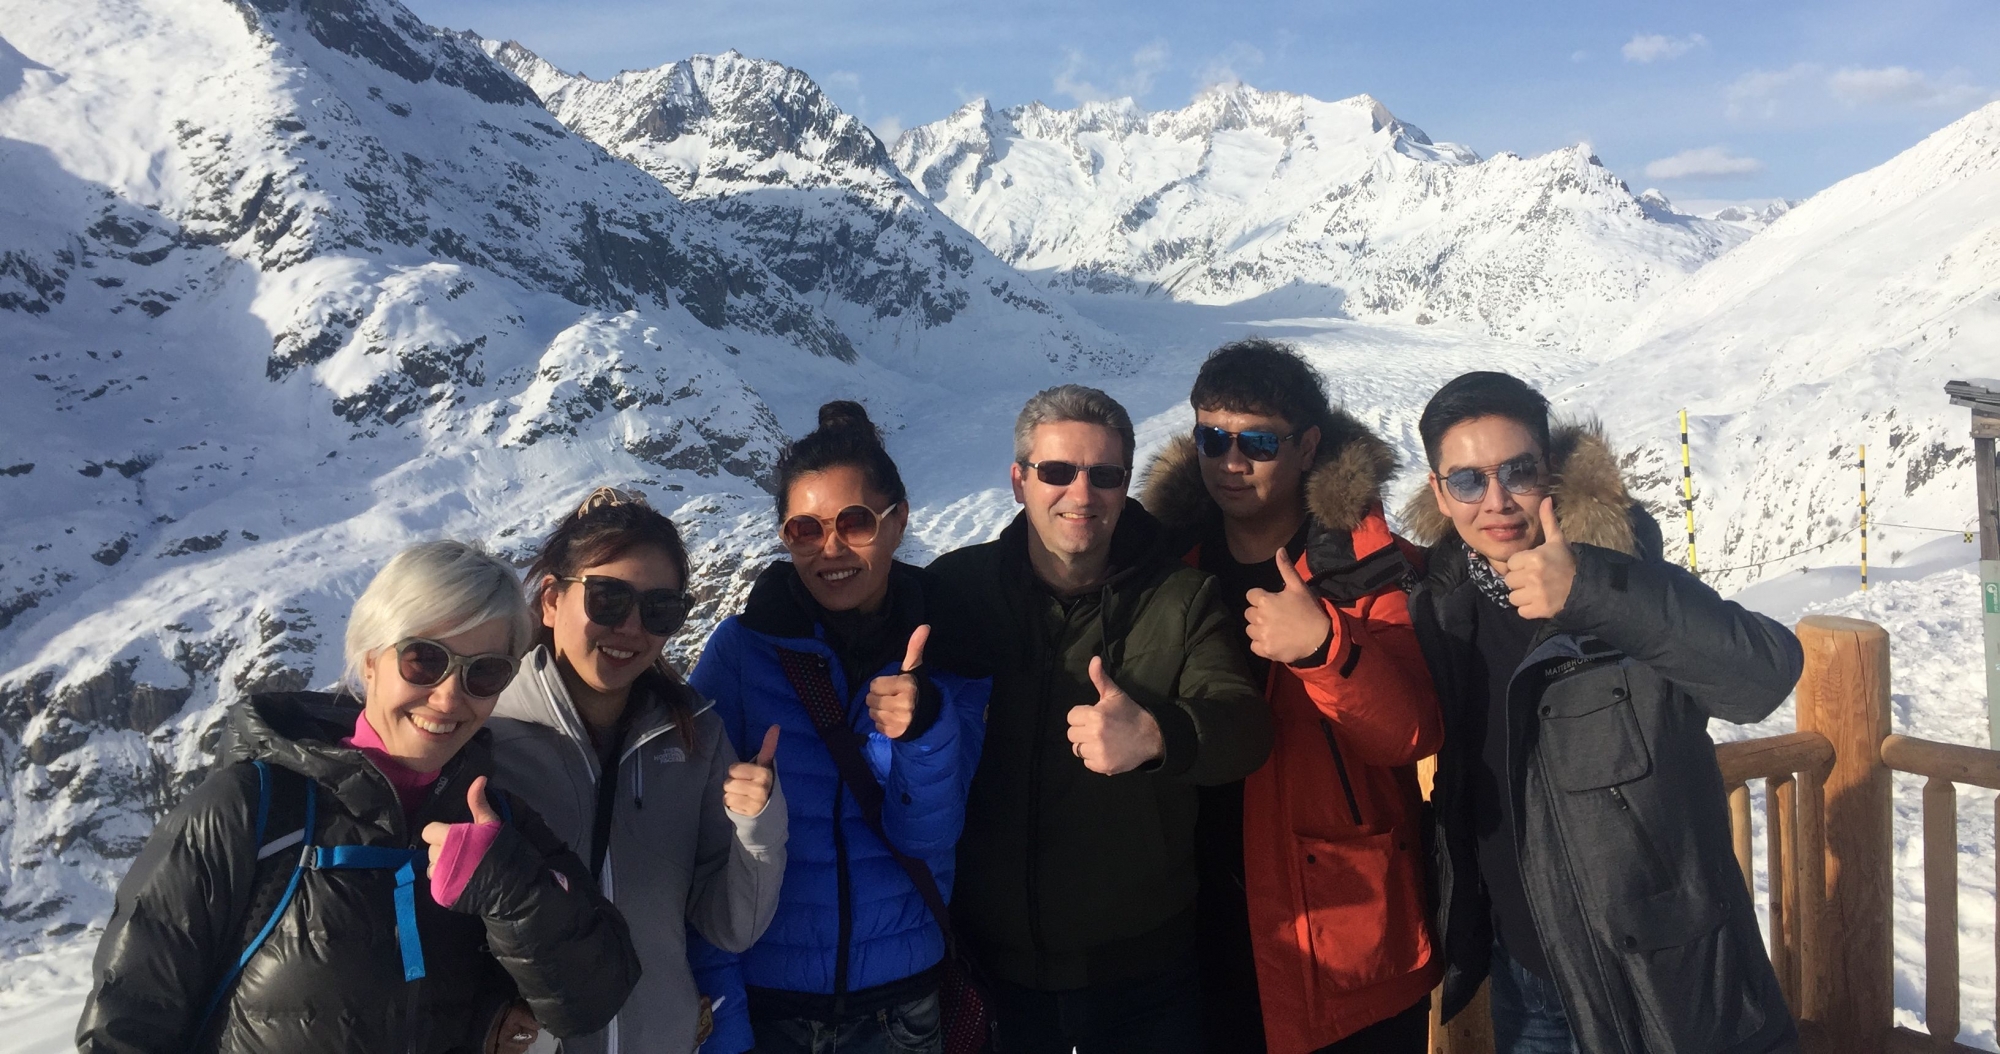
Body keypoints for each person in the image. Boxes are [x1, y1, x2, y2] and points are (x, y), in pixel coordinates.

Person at [77, 540, 641, 1054]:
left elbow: (594, 998)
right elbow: (126, 1027)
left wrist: (512, 890)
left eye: (485, 673)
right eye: (424, 659)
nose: (448, 698)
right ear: (371, 658)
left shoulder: (497, 822)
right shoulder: (253, 809)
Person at [1400, 371, 1802, 1054]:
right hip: (1526, 974)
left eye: (1517, 472)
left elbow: (1762, 674)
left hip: (1662, 980)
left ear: (1550, 473)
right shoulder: (1441, 604)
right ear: (1439, 491)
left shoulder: (1623, 576)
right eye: (1467, 480)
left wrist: (1592, 590)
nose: (1494, 501)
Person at [928, 384, 1273, 1054]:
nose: (1080, 495)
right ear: (1018, 480)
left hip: (1143, 981)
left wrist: (1156, 735)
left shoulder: (1180, 599)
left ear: (1125, 486)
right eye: (1057, 472)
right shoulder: (954, 593)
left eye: (1105, 475)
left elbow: (1244, 728)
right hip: (989, 973)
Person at [1140, 341, 1442, 1054]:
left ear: (1308, 446)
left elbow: (1408, 733)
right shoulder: (1163, 560)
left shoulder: (1365, 562)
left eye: (1259, 442)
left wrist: (1323, 649)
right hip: (1199, 928)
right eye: (1213, 439)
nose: (1231, 463)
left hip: (1340, 937)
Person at [689, 401, 991, 1054]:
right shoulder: (743, 654)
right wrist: (724, 1020)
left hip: (901, 1004)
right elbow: (696, 848)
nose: (830, 549)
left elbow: (929, 834)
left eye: (854, 523)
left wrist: (924, 734)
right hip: (768, 1003)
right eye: (804, 529)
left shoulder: (952, 653)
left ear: (898, 521)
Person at [485, 487, 789, 1054]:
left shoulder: (695, 736)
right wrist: (480, 1020)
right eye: (607, 599)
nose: (631, 627)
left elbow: (731, 927)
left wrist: (759, 830)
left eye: (659, 610)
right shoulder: (485, 736)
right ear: (551, 600)